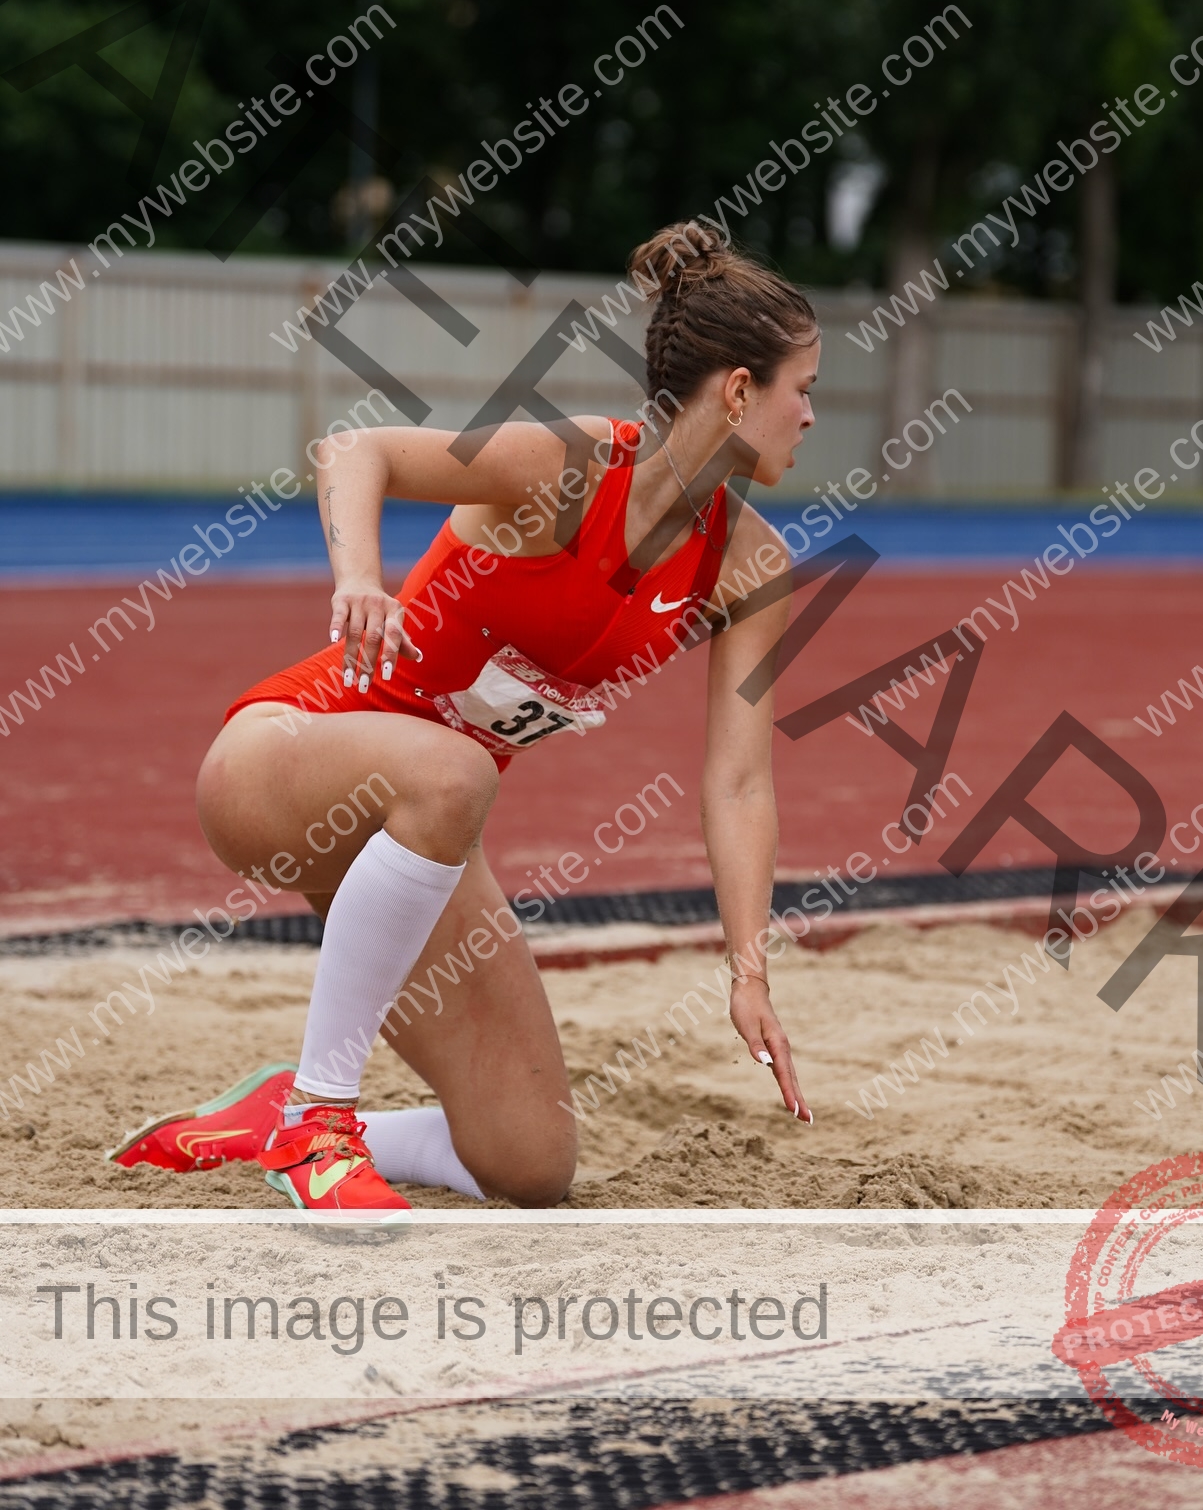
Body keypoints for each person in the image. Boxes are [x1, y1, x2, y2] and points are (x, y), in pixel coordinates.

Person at [110, 223, 820, 1212]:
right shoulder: (567, 468)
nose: (813, 416)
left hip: (426, 829)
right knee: (457, 774)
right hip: (281, 760)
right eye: (804, 389)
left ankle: (279, 1115)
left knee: (530, 1164)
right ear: (740, 392)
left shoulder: (751, 567)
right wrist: (360, 581)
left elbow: (740, 779)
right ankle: (318, 1125)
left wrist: (750, 973)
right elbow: (355, 449)